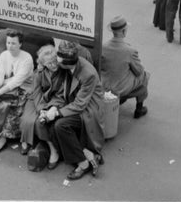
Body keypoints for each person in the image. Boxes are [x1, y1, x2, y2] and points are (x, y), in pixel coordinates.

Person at [39, 42, 105, 180]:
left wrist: (56, 112)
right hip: (71, 103)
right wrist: (52, 108)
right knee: (51, 124)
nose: (55, 60)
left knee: (60, 125)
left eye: (57, 59)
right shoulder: (68, 66)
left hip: (87, 109)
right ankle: (86, 153)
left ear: (65, 63)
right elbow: (60, 93)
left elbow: (80, 105)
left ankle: (83, 164)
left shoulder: (88, 74)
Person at [101, 15, 150, 118]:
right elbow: (138, 71)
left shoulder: (103, 47)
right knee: (145, 75)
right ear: (123, 31)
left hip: (105, 84)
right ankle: (139, 109)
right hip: (120, 88)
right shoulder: (129, 51)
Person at [19, 45, 62, 159]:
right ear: (43, 64)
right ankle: (26, 141)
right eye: (49, 63)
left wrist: (50, 108)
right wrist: (41, 108)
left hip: (55, 101)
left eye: (54, 61)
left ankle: (52, 149)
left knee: (41, 121)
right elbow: (36, 92)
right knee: (26, 119)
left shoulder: (63, 71)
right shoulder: (39, 73)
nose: (53, 65)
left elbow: (61, 94)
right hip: (37, 100)